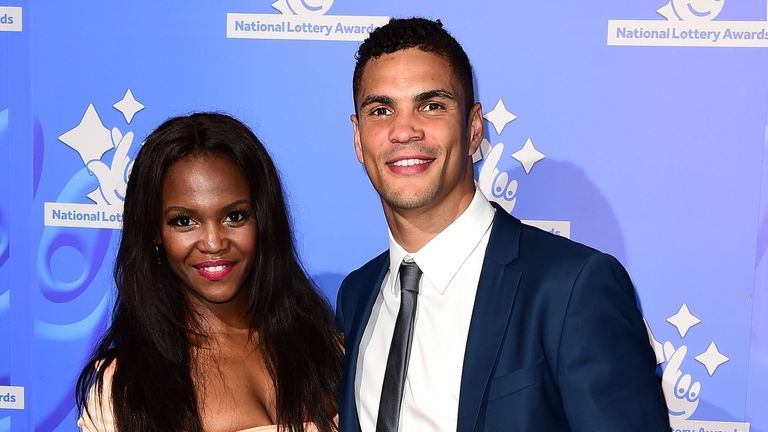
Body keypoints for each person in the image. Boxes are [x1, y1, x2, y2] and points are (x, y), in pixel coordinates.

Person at [335, 18, 669, 432]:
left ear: (474, 129)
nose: (404, 130)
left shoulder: (571, 289)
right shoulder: (357, 295)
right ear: (358, 136)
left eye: (431, 105)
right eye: (381, 110)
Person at [76, 113, 342, 432]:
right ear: (154, 231)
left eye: (234, 216)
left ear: (262, 219)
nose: (214, 243)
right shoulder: (127, 386)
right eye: (184, 221)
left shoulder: (328, 351)